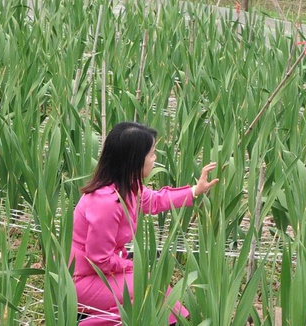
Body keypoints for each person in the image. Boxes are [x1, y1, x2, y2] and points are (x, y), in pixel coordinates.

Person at [70, 121, 219, 325]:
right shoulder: (106, 202)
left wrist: (194, 190)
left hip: (101, 271)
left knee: (154, 286)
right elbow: (99, 260)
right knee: (148, 286)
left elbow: (155, 200)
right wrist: (133, 265)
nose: (155, 159)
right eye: (152, 154)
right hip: (82, 279)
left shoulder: (128, 187)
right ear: (134, 160)